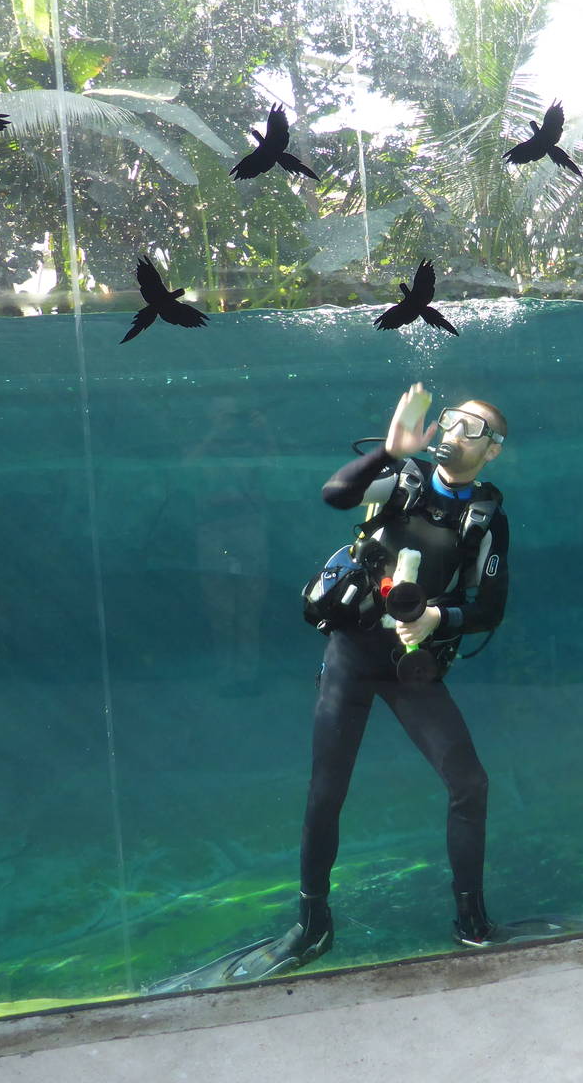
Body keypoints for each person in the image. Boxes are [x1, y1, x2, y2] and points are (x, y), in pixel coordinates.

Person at [220, 382, 511, 983]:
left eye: (473, 429)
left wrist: (436, 619)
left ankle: (472, 920)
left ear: (493, 451)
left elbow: (489, 607)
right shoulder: (401, 480)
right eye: (450, 420)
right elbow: (336, 494)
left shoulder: (486, 518)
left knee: (470, 784)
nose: (455, 433)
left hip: (412, 662)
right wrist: (389, 450)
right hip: (352, 650)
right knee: (326, 790)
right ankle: (312, 923)